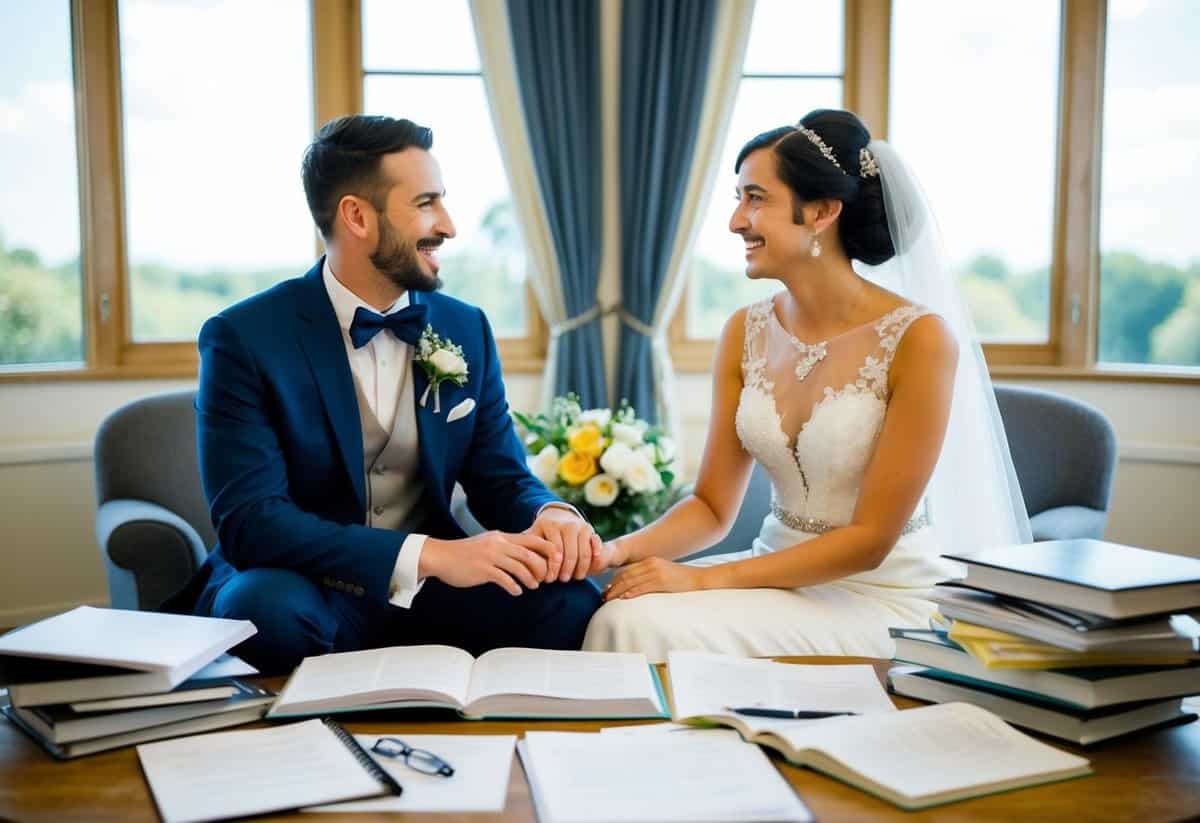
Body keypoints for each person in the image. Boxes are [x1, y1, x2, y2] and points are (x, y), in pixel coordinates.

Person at [582, 109, 1030, 661]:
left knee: (641, 627)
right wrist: (613, 551)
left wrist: (701, 581)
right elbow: (710, 507)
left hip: (877, 592)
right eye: (738, 197)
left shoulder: (920, 339)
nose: (735, 221)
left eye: (756, 198)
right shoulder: (744, 331)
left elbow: (870, 541)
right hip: (772, 571)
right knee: (620, 605)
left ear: (821, 212)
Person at [165, 115, 602, 672]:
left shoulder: (466, 328)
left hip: (434, 595)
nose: (448, 225)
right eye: (426, 203)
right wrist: (433, 555)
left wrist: (551, 513)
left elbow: (500, 477)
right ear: (357, 216)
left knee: (570, 603)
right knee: (261, 609)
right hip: (307, 585)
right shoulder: (244, 337)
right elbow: (253, 522)